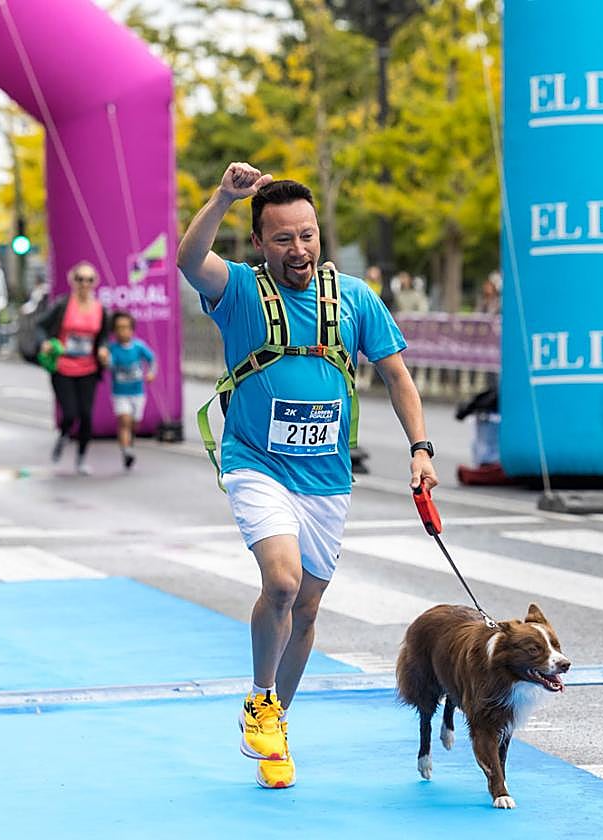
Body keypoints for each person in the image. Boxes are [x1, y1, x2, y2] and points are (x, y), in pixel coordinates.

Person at [177, 162, 438, 790]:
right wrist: (221, 198)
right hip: (255, 464)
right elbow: (189, 259)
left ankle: (276, 728)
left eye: (308, 235)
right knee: (284, 584)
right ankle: (260, 698)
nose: (300, 249)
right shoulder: (237, 290)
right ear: (261, 244)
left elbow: (397, 375)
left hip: (327, 477)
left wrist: (421, 448)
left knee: (311, 606)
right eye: (284, 238)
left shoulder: (354, 298)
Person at [37, 262, 110, 475]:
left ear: (94, 283)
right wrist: (45, 342)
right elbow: (41, 325)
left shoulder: (100, 309)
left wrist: (103, 350)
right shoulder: (63, 305)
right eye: (80, 279)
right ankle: (63, 436)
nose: (84, 284)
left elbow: (103, 337)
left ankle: (81, 459)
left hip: (88, 368)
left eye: (88, 280)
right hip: (63, 366)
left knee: (86, 415)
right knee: (70, 413)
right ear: (73, 281)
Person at [106, 311, 156, 470]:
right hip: (120, 394)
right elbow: (109, 365)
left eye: (126, 327)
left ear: (132, 329)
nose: (123, 331)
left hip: (137, 393)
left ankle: (129, 442)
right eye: (119, 328)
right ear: (114, 331)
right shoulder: (112, 348)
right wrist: (105, 360)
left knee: (134, 423)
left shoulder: (138, 346)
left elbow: (152, 359)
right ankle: (126, 451)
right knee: (124, 421)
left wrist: (151, 372)